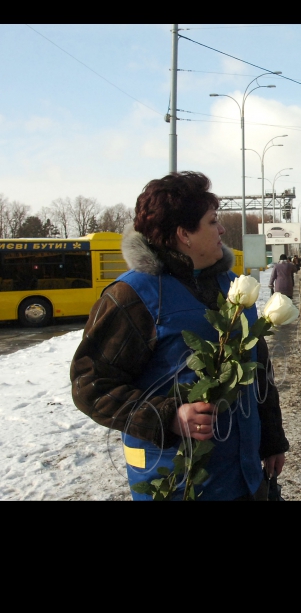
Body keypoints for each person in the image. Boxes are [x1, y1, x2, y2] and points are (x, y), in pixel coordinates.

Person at [70, 172, 288, 501]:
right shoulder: (132, 296)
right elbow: (89, 384)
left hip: (245, 478)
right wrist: (168, 416)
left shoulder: (235, 287)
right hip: (180, 485)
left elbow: (259, 371)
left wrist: (272, 441)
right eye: (213, 221)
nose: (222, 230)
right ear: (184, 233)